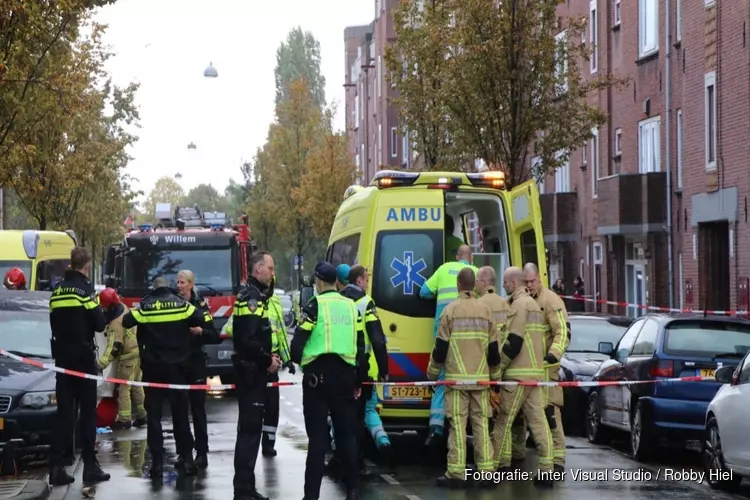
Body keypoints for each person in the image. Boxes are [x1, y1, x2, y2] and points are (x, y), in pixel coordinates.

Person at [290, 262, 366, 500]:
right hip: (345, 378)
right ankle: (352, 489)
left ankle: (311, 495)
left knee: (318, 441)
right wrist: (358, 382)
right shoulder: (352, 307)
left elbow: (298, 344)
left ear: (319, 282)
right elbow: (361, 347)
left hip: (317, 381)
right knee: (346, 436)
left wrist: (297, 359)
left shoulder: (315, 304)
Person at [122, 276, 210, 479]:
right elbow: (200, 318)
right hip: (178, 369)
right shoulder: (181, 305)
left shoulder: (146, 306)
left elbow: (127, 321)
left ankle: (157, 464)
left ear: (153, 289)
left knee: (154, 418)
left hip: (153, 371)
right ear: (168, 288)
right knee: (180, 415)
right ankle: (187, 459)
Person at [427, 267, 500, 488]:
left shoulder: (449, 311)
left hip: (456, 380)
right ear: (473, 284)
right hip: (480, 380)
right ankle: (486, 470)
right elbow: (494, 350)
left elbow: (440, 349)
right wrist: (494, 380)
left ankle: (456, 472)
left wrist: (431, 374)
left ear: (459, 285)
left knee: (457, 425)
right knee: (480, 424)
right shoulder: (486, 311)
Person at [48, 247, 110, 486]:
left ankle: (56, 466)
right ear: (86, 266)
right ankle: (90, 467)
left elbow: (53, 321)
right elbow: (98, 324)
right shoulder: (85, 291)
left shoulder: (56, 292)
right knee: (86, 415)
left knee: (64, 414)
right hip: (83, 360)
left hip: (62, 360)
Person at [491, 267, 554, 488]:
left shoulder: (518, 305)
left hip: (517, 375)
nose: (504, 286)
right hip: (534, 375)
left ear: (514, 283)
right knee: (538, 422)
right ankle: (547, 470)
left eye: (506, 282)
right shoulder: (535, 306)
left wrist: (498, 369)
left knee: (503, 420)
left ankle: (492, 467)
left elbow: (513, 342)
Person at [231, 252, 281, 500]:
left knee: (249, 432)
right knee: (250, 433)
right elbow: (248, 339)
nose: (273, 273)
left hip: (251, 370)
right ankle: (242, 490)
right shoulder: (252, 297)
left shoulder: (254, 293)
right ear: (258, 268)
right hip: (252, 371)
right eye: (270, 268)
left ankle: (247, 487)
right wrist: (267, 360)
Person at [419, 244, 478, 446]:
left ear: (456, 256)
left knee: (442, 379)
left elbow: (423, 292)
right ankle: (466, 426)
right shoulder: (475, 273)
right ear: (471, 258)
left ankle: (436, 428)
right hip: (468, 335)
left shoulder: (444, 269)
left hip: (443, 328)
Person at [339, 265, 390, 467]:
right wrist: (384, 370)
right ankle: (357, 462)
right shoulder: (366, 303)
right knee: (360, 417)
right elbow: (377, 340)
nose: (368, 283)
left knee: (343, 416)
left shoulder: (339, 301)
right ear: (359, 280)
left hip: (341, 368)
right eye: (366, 279)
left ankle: (342, 458)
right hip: (363, 370)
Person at [524, 263, 570, 474]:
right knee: (529, 413)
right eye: (526, 282)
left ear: (539, 279)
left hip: (547, 367)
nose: (529, 285)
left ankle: (558, 460)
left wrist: (554, 355)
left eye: (532, 281)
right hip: (528, 367)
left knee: (551, 412)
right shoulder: (524, 301)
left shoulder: (551, 301)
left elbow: (563, 332)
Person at [176, 270, 220, 468]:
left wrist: (202, 332)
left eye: (183, 282)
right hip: (177, 362)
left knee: (198, 409)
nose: (179, 285)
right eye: (178, 282)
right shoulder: (173, 303)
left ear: (191, 284)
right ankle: (183, 453)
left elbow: (214, 335)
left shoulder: (200, 306)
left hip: (195, 363)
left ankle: (202, 452)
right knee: (179, 410)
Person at [259, 252, 294, 457]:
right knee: (258, 407)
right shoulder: (254, 301)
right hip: (258, 362)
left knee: (273, 408)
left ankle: (269, 443)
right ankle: (256, 442)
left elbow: (281, 332)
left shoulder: (275, 304)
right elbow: (231, 328)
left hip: (273, 361)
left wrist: (287, 358)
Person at [96, 288, 146, 430]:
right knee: (136, 385)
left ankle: (124, 419)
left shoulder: (115, 324)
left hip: (127, 357)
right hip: (136, 353)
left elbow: (114, 347)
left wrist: (101, 364)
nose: (103, 310)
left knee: (124, 388)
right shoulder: (123, 308)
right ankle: (143, 415)